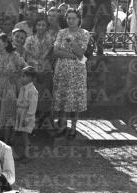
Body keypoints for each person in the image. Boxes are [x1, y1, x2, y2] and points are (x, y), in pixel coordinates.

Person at [52, 9, 89, 138]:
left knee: (75, 99)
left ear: (79, 19)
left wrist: (72, 41)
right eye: (68, 18)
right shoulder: (61, 32)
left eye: (74, 18)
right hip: (62, 70)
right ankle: (63, 125)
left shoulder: (84, 33)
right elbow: (56, 51)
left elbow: (80, 53)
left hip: (77, 72)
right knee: (63, 98)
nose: (71, 21)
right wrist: (70, 55)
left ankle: (73, 127)